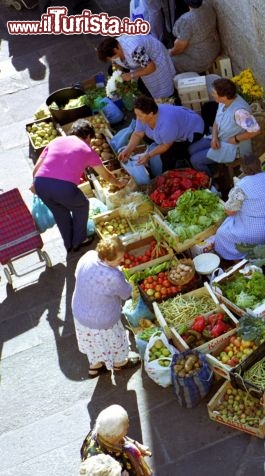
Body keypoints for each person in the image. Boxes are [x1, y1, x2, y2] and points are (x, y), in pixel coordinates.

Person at [32, 119, 125, 253]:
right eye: (90, 139)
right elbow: (106, 175)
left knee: (61, 214)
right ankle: (78, 241)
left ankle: (69, 245)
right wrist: (119, 183)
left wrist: (35, 185)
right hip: (63, 187)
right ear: (87, 136)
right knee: (82, 205)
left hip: (41, 183)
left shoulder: (56, 141)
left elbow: (37, 167)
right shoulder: (86, 149)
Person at [72, 237, 140, 377]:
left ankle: (95, 366)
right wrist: (127, 281)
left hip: (80, 311)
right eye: (118, 259)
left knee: (93, 342)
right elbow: (125, 293)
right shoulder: (113, 276)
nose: (121, 261)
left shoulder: (88, 256)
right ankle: (119, 362)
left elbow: (77, 275)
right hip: (102, 319)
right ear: (108, 259)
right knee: (115, 340)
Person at [213, 154, 265, 260]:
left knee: (222, 234)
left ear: (243, 169)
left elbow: (230, 212)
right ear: (260, 165)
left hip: (258, 232)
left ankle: (236, 259)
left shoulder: (241, 187)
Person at [118, 96, 206, 177]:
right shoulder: (143, 117)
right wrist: (128, 150)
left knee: (167, 155)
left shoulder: (167, 123)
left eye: (140, 115)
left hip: (193, 129)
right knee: (147, 139)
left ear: (151, 114)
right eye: (136, 114)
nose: (137, 118)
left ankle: (167, 176)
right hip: (173, 129)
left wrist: (148, 155)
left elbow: (165, 145)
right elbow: (138, 134)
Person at [190, 78, 261, 177]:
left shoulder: (240, 112)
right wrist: (214, 137)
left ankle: (211, 180)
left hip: (233, 147)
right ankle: (214, 168)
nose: (212, 94)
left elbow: (256, 130)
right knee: (191, 149)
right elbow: (216, 121)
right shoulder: (223, 102)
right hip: (219, 137)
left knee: (195, 160)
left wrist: (236, 139)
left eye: (214, 93)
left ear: (224, 97)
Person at [81, 404, 153, 476]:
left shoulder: (103, 432)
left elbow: (124, 439)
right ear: (113, 435)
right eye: (126, 428)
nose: (128, 426)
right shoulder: (100, 465)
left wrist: (137, 446)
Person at [97, 35, 176, 100]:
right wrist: (116, 71)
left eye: (113, 57)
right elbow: (114, 62)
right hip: (141, 60)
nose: (113, 59)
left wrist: (131, 75)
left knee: (162, 88)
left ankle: (170, 101)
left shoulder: (134, 50)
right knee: (145, 84)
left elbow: (151, 67)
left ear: (116, 49)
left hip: (154, 59)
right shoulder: (113, 45)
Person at [168, 0, 221, 74]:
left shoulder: (186, 20)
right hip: (214, 49)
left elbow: (179, 47)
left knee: (168, 61)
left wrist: (170, 52)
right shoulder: (208, 5)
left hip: (199, 60)